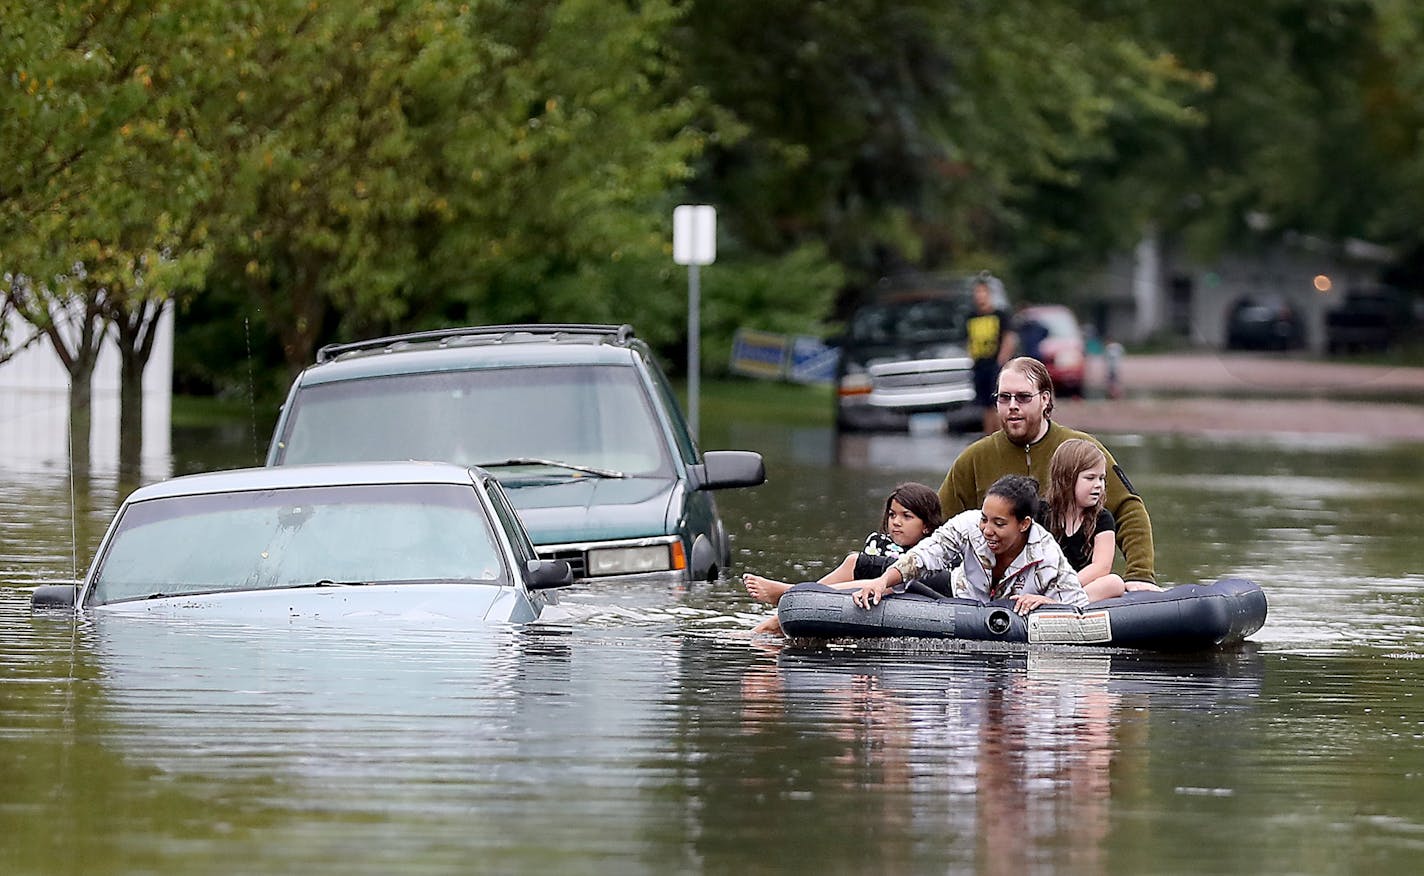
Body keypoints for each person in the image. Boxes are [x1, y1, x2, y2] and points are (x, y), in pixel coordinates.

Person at [938, 356, 1157, 586]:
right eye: (1004, 397)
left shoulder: (1082, 450)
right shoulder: (973, 458)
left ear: (1044, 399)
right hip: (993, 589)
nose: (1012, 405)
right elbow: (937, 521)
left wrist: (1140, 575)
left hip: (1072, 586)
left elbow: (1128, 510)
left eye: (1023, 397)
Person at [851, 474, 1087, 616]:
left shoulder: (1045, 553)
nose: (987, 530)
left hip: (1009, 623)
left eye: (999, 524)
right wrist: (882, 581)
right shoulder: (969, 525)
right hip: (956, 594)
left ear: (1024, 524)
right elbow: (928, 552)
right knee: (895, 585)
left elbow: (1080, 607)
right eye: (985, 519)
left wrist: (1049, 603)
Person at [743, 483, 943, 635]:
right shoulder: (880, 543)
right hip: (870, 590)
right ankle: (796, 600)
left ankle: (793, 594)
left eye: (906, 517)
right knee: (856, 563)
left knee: (875, 575)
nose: (896, 522)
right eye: (892, 515)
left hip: (910, 591)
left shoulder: (937, 553)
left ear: (926, 525)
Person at [1040, 439, 1161, 602]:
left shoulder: (1102, 518)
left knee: (1114, 583)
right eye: (1090, 478)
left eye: (1101, 478)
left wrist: (1065, 586)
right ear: (1066, 478)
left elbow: (1101, 567)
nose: (1099, 485)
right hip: (1044, 584)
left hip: (1080, 587)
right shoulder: (1041, 512)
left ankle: (1061, 603)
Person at [965, 274, 1018, 434]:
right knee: (985, 405)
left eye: (983, 292)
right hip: (979, 364)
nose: (980, 296)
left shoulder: (1000, 315)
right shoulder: (970, 317)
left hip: (995, 364)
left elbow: (1009, 338)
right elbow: (968, 340)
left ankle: (1002, 435)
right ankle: (989, 437)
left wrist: (1002, 361)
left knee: (997, 403)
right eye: (977, 292)